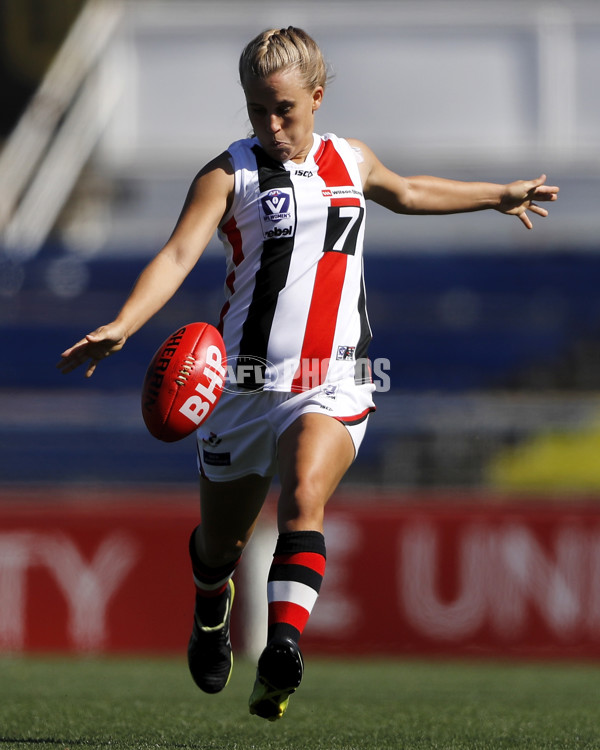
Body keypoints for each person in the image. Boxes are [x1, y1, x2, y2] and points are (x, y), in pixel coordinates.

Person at [57, 27, 559, 720]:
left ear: (317, 97)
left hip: (332, 378)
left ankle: (282, 650)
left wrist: (496, 195)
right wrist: (123, 323)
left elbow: (408, 191)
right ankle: (211, 609)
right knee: (221, 545)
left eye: (284, 109)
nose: (271, 123)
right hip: (242, 386)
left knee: (305, 500)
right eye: (258, 108)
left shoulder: (350, 160)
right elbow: (176, 256)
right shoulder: (228, 173)